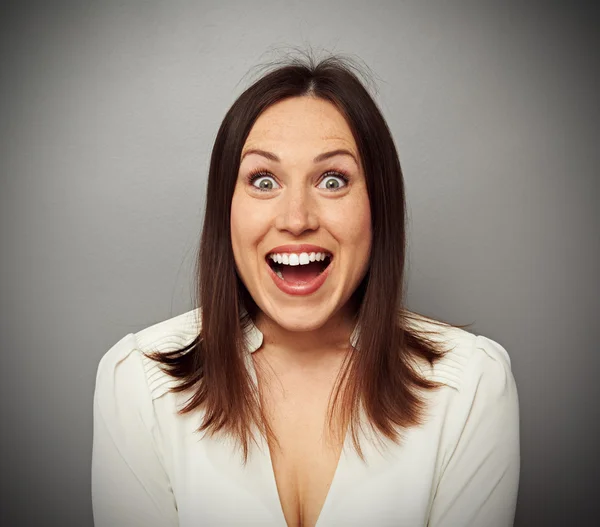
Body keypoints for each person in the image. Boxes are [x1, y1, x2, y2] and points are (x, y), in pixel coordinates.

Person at [91, 53, 520, 527]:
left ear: (378, 207)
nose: (297, 219)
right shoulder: (138, 382)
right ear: (224, 210)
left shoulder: (470, 385)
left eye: (333, 181)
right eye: (264, 180)